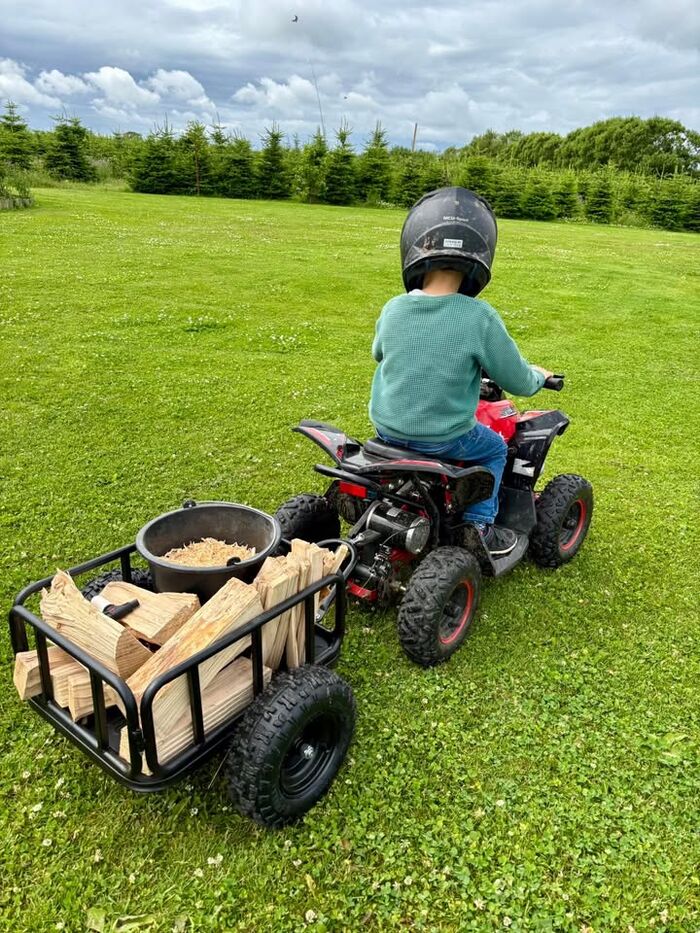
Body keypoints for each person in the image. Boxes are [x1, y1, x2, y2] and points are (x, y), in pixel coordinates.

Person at [369, 186, 552, 557]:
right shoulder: (478, 316)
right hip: (442, 437)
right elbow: (516, 379)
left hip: (386, 429)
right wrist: (538, 376)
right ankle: (480, 525)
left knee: (427, 438)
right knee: (495, 449)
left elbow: (378, 353)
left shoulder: (393, 308)